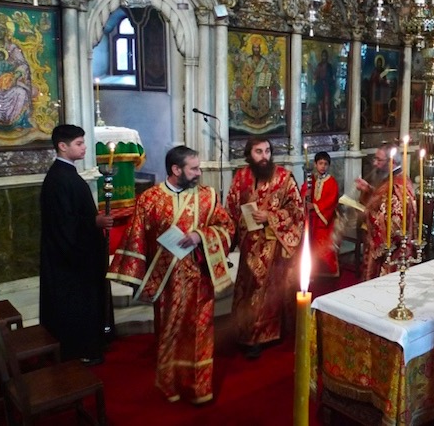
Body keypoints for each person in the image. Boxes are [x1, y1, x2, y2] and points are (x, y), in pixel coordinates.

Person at [107, 146, 235, 404]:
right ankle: (170, 383)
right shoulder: (150, 199)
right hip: (166, 283)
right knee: (169, 332)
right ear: (176, 170)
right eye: (193, 168)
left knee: (200, 333)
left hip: (199, 280)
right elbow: (136, 237)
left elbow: (227, 227)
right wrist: (134, 276)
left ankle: (199, 386)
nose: (199, 173)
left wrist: (200, 235)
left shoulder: (208, 196)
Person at [39, 124, 113, 365]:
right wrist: (95, 221)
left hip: (76, 253)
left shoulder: (66, 174)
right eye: (79, 144)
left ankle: (90, 344)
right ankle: (80, 350)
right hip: (70, 260)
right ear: (63, 146)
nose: (84, 148)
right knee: (76, 305)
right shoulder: (60, 178)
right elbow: (63, 222)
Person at [226, 138, 304, 359]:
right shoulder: (240, 177)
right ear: (249, 154)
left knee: (266, 290)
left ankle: (262, 335)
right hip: (247, 245)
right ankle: (244, 331)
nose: (264, 156)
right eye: (258, 151)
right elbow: (230, 209)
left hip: (273, 245)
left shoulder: (284, 177)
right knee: (247, 289)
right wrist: (226, 240)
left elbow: (297, 210)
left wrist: (270, 216)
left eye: (267, 151)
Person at [354, 143, 416, 281]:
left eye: (379, 160)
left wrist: (368, 214)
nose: (375, 163)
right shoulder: (392, 179)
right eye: (375, 159)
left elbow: (395, 222)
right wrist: (368, 190)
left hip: (393, 253)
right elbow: (383, 201)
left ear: (392, 162)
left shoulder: (398, 186)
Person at [302, 151, 340, 277]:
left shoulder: (332, 182)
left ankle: (328, 270)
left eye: (325, 164)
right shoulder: (311, 180)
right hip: (312, 219)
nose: (323, 166)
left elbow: (332, 200)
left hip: (324, 220)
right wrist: (305, 195)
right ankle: (312, 268)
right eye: (320, 163)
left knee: (324, 245)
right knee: (310, 243)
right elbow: (303, 193)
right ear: (315, 164)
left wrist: (315, 206)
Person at [313, 49, 336, 130]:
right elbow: (315, 76)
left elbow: (332, 78)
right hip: (320, 88)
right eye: (322, 56)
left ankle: (326, 123)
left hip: (327, 88)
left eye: (325, 56)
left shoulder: (329, 67)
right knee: (320, 105)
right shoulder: (319, 66)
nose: (324, 57)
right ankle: (320, 122)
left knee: (326, 105)